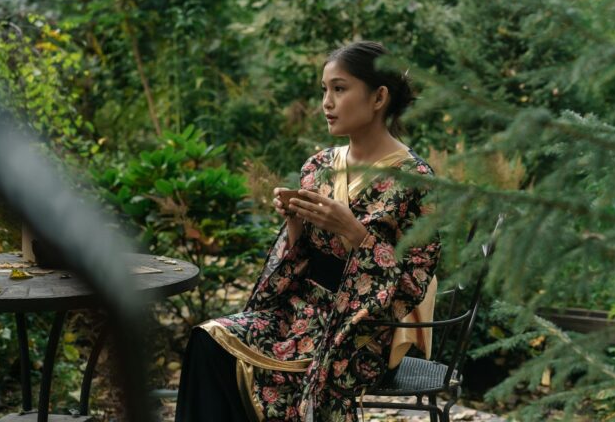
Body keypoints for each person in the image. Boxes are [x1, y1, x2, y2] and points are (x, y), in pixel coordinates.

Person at [175, 41, 441, 422]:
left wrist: (356, 235)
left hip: (365, 329)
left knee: (288, 375)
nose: (326, 102)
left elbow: (413, 285)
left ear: (379, 97)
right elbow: (300, 262)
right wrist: (294, 221)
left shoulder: (415, 181)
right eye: (324, 89)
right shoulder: (318, 167)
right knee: (209, 340)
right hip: (300, 311)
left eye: (340, 88)